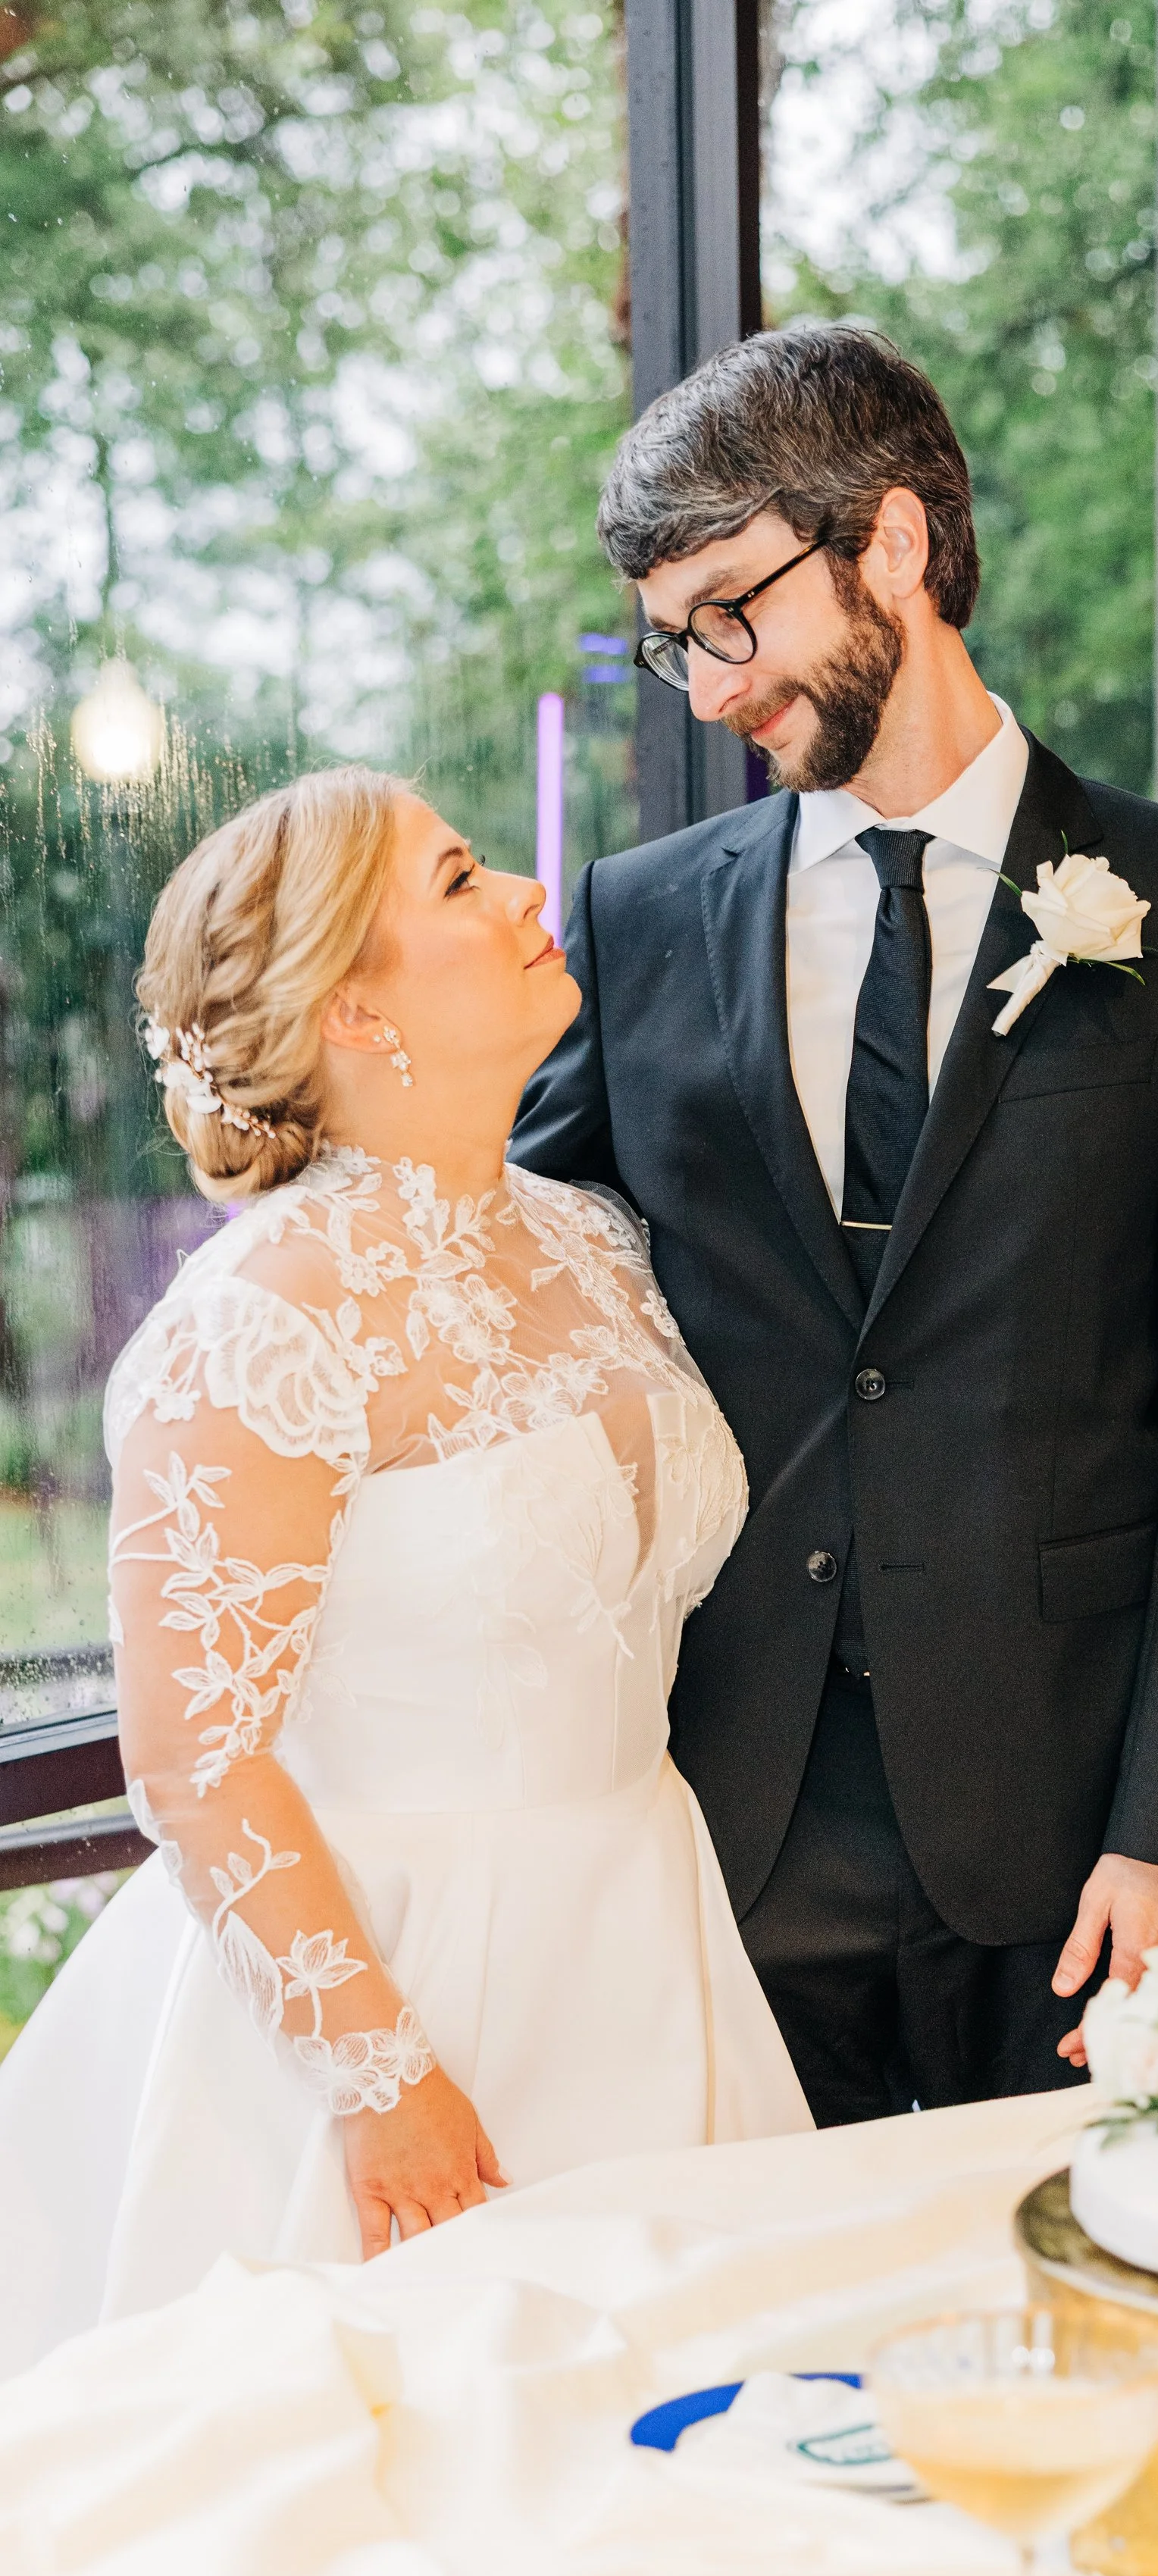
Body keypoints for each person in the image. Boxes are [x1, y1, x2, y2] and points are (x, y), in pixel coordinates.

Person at [512, 321, 1158, 2127]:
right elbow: (511, 1277)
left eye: (731, 612)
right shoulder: (637, 924)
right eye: (671, 636)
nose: (704, 686)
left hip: (1064, 1847)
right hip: (718, 1814)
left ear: (887, 545)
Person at [0, 767, 810, 2373]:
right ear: (349, 1004)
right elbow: (193, 1757)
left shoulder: (595, 1242)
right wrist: (382, 2080)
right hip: (388, 1999)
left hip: (649, 1941)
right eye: (457, 878)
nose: (527, 887)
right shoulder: (255, 1326)